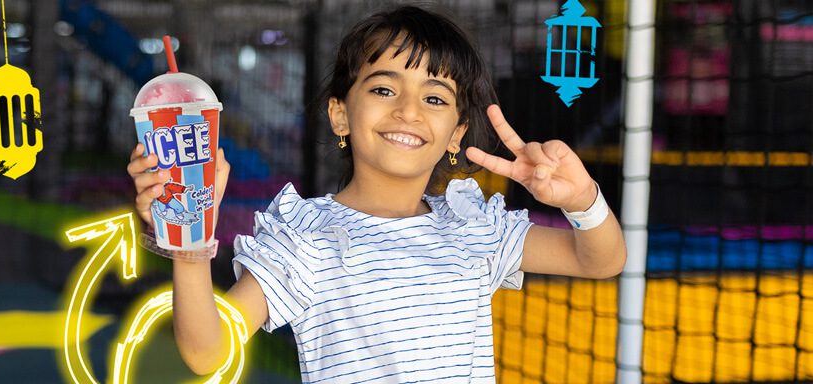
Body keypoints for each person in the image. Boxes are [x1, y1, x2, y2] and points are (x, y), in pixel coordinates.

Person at [127, 5, 626, 383]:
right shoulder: (307, 241)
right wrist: (189, 238)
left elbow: (600, 260)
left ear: (456, 134)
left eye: (434, 98)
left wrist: (582, 201)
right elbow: (206, 352)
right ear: (340, 113)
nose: (409, 111)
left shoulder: (475, 229)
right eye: (385, 89)